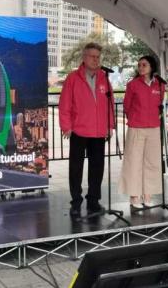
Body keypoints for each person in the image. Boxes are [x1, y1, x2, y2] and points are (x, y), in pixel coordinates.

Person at [59, 42, 115, 217]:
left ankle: (93, 201)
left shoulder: (104, 78)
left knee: (97, 168)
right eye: (92, 56)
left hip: (99, 132)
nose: (95, 60)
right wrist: (66, 126)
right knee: (76, 168)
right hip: (78, 130)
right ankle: (76, 202)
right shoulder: (73, 78)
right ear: (84, 57)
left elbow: (110, 104)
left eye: (98, 57)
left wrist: (110, 125)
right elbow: (65, 104)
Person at [119, 56, 164, 209]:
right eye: (139, 65)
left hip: (153, 128)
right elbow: (127, 105)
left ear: (152, 67)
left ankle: (148, 195)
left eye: (144, 64)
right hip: (136, 128)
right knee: (134, 163)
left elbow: (159, 105)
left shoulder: (159, 84)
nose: (141, 67)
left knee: (152, 163)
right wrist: (135, 118)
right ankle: (134, 196)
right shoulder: (132, 84)